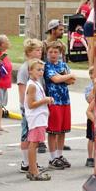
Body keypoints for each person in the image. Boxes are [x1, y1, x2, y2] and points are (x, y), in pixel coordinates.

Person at [43, 40, 74, 169]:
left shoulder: (63, 65)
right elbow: (55, 79)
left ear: (60, 53)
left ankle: (59, 155)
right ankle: (52, 157)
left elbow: (71, 81)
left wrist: (66, 77)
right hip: (53, 101)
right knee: (53, 131)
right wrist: (67, 76)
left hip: (65, 100)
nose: (53, 54)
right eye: (51, 52)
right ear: (47, 53)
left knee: (62, 130)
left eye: (56, 52)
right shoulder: (47, 66)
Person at [17, 39, 45, 171]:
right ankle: (25, 162)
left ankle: (31, 162)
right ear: (29, 52)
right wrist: (25, 106)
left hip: (35, 107)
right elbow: (22, 89)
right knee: (26, 134)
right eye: (37, 50)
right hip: (28, 108)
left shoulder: (37, 66)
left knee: (31, 135)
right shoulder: (25, 68)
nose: (40, 52)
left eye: (40, 50)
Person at [24, 59, 53, 181]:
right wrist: (45, 100)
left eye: (42, 70)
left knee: (34, 143)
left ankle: (32, 169)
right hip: (36, 119)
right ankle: (34, 171)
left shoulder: (36, 83)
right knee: (34, 144)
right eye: (38, 70)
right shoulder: (32, 86)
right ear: (30, 71)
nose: (41, 72)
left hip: (39, 117)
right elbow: (31, 104)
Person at [0, 35, 13, 133]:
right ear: (1, 44)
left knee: (0, 105)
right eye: (7, 41)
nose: (9, 42)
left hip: (5, 83)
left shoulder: (4, 54)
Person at [85, 65, 96, 167]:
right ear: (91, 76)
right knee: (91, 138)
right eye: (94, 73)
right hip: (92, 116)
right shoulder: (89, 87)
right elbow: (89, 100)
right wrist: (94, 88)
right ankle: (90, 157)